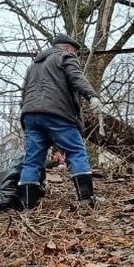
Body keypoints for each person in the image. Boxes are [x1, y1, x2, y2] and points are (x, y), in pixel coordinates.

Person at [16, 33, 103, 209]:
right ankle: (86, 199)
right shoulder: (65, 56)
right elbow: (76, 78)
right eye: (75, 52)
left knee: (32, 160)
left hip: (31, 115)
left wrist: (28, 112)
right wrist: (92, 96)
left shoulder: (34, 64)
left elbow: (24, 93)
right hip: (57, 114)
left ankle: (27, 206)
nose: (76, 55)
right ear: (68, 48)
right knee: (76, 151)